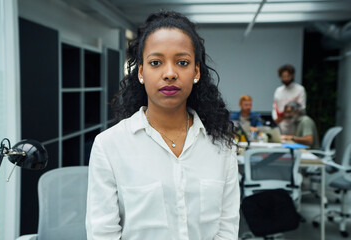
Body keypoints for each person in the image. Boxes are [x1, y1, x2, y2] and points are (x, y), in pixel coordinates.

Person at [86, 10, 240, 240]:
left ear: (196, 71)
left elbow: (226, 229)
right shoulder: (109, 145)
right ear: (140, 72)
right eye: (156, 62)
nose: (169, 73)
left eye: (182, 62)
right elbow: (102, 234)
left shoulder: (221, 145)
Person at [272, 64, 306, 135]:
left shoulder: (300, 89)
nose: (285, 79)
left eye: (288, 76)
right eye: (283, 77)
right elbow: (275, 107)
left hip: (294, 124)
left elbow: (302, 107)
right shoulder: (278, 90)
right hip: (280, 124)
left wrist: (289, 113)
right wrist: (276, 119)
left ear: (292, 75)